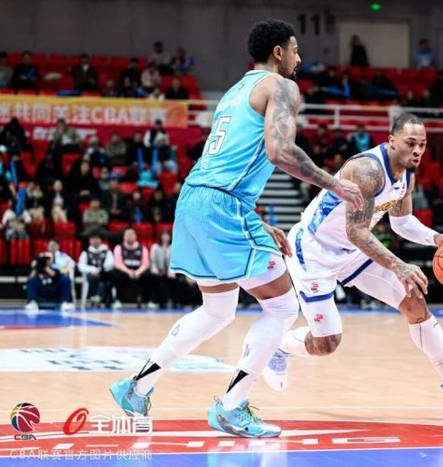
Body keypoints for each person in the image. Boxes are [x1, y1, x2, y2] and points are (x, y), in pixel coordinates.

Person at [109, 19, 362, 438]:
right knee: (283, 308)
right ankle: (231, 407)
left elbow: (230, 162)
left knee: (217, 310)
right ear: (278, 52)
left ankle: (137, 388)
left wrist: (255, 220)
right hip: (222, 205)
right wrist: (333, 183)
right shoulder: (282, 87)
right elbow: (279, 151)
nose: (299, 58)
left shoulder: (234, 92)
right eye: (295, 50)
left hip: (195, 199)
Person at [262, 113, 443, 408]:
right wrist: (399, 265)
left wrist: (437, 238)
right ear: (391, 141)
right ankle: (280, 348)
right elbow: (356, 232)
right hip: (315, 250)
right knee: (327, 343)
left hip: (352, 251)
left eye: (422, 145)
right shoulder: (367, 171)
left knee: (415, 303)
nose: (417, 151)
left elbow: (402, 223)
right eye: (410, 143)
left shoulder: (407, 174)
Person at [110, 227, 153, 308]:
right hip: (125, 270)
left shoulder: (142, 248)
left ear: (135, 236)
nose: (130, 236)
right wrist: (129, 272)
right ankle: (118, 300)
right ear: (124, 237)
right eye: (127, 235)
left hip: (138, 270)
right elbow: (118, 264)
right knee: (117, 275)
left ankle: (148, 301)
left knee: (148, 275)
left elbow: (146, 264)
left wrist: (137, 272)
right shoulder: (119, 248)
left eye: (132, 234)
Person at [77, 233, 114, 306]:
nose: (95, 240)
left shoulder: (107, 252)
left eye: (97, 238)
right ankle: (93, 297)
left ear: (100, 240)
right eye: (93, 239)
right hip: (90, 274)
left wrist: (99, 270)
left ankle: (107, 299)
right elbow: (80, 265)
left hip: (104, 274)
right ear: (89, 241)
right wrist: (91, 269)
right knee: (93, 277)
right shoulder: (85, 252)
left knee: (110, 277)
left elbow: (110, 263)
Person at [150, 229, 175, 308]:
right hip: (157, 271)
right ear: (160, 236)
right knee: (155, 278)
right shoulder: (155, 247)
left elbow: (174, 261)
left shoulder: (173, 247)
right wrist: (157, 272)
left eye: (167, 235)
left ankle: (170, 300)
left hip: (169, 271)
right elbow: (153, 261)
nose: (165, 237)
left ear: (170, 237)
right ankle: (154, 300)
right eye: (163, 235)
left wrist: (170, 272)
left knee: (173, 279)